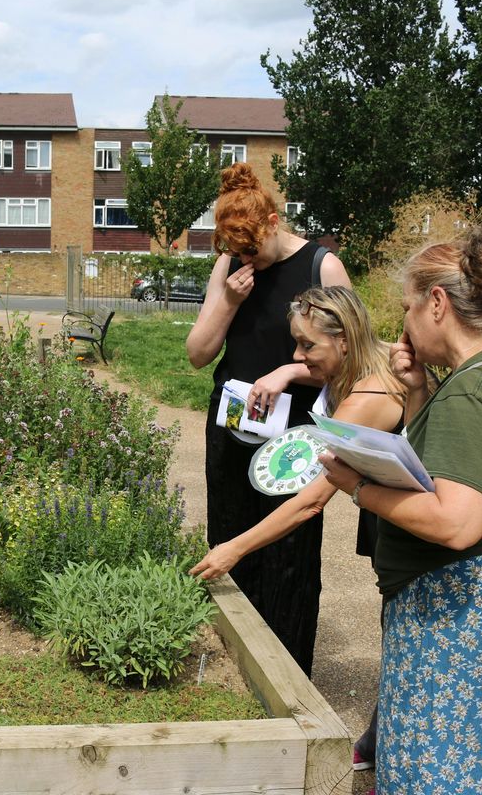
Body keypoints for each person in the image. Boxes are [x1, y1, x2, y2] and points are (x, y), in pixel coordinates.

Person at [321, 227, 482, 795]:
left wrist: (356, 486)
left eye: (408, 308)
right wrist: (420, 393)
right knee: (469, 757)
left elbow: (457, 521)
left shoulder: (473, 395)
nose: (403, 326)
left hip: (452, 613)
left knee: (432, 771)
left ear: (438, 303)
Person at [189, 285, 403, 774]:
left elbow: (310, 502)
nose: (297, 354)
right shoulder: (363, 362)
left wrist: (233, 549)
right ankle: (380, 737)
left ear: (344, 340)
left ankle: (389, 750)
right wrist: (290, 369)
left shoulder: (370, 392)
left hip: (415, 515)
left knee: (405, 625)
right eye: (295, 344)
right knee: (398, 623)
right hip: (388, 507)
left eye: (307, 346)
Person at [186, 162, 349, 676]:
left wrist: (289, 370)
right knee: (231, 535)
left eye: (251, 249)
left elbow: (351, 358)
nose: (244, 259)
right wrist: (230, 300)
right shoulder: (229, 267)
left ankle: (287, 676)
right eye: (235, 252)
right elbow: (197, 353)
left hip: (297, 432)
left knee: (288, 551)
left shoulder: (322, 267)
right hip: (234, 427)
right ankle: (238, 665)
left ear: (274, 221)